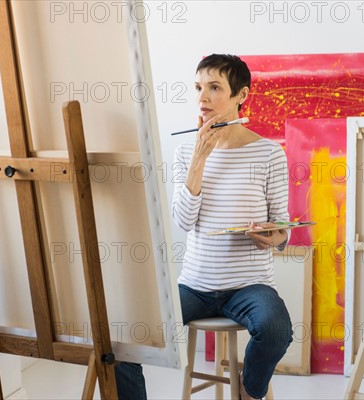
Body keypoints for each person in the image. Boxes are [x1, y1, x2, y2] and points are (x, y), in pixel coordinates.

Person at [115, 54, 293, 400]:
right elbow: (183, 221)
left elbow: (283, 227)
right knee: (123, 338)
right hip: (195, 285)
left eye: (214, 88)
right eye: (199, 87)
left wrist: (274, 235)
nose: (203, 97)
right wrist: (199, 157)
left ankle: (247, 392)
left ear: (241, 95)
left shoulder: (269, 153)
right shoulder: (185, 152)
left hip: (250, 285)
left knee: (275, 329)